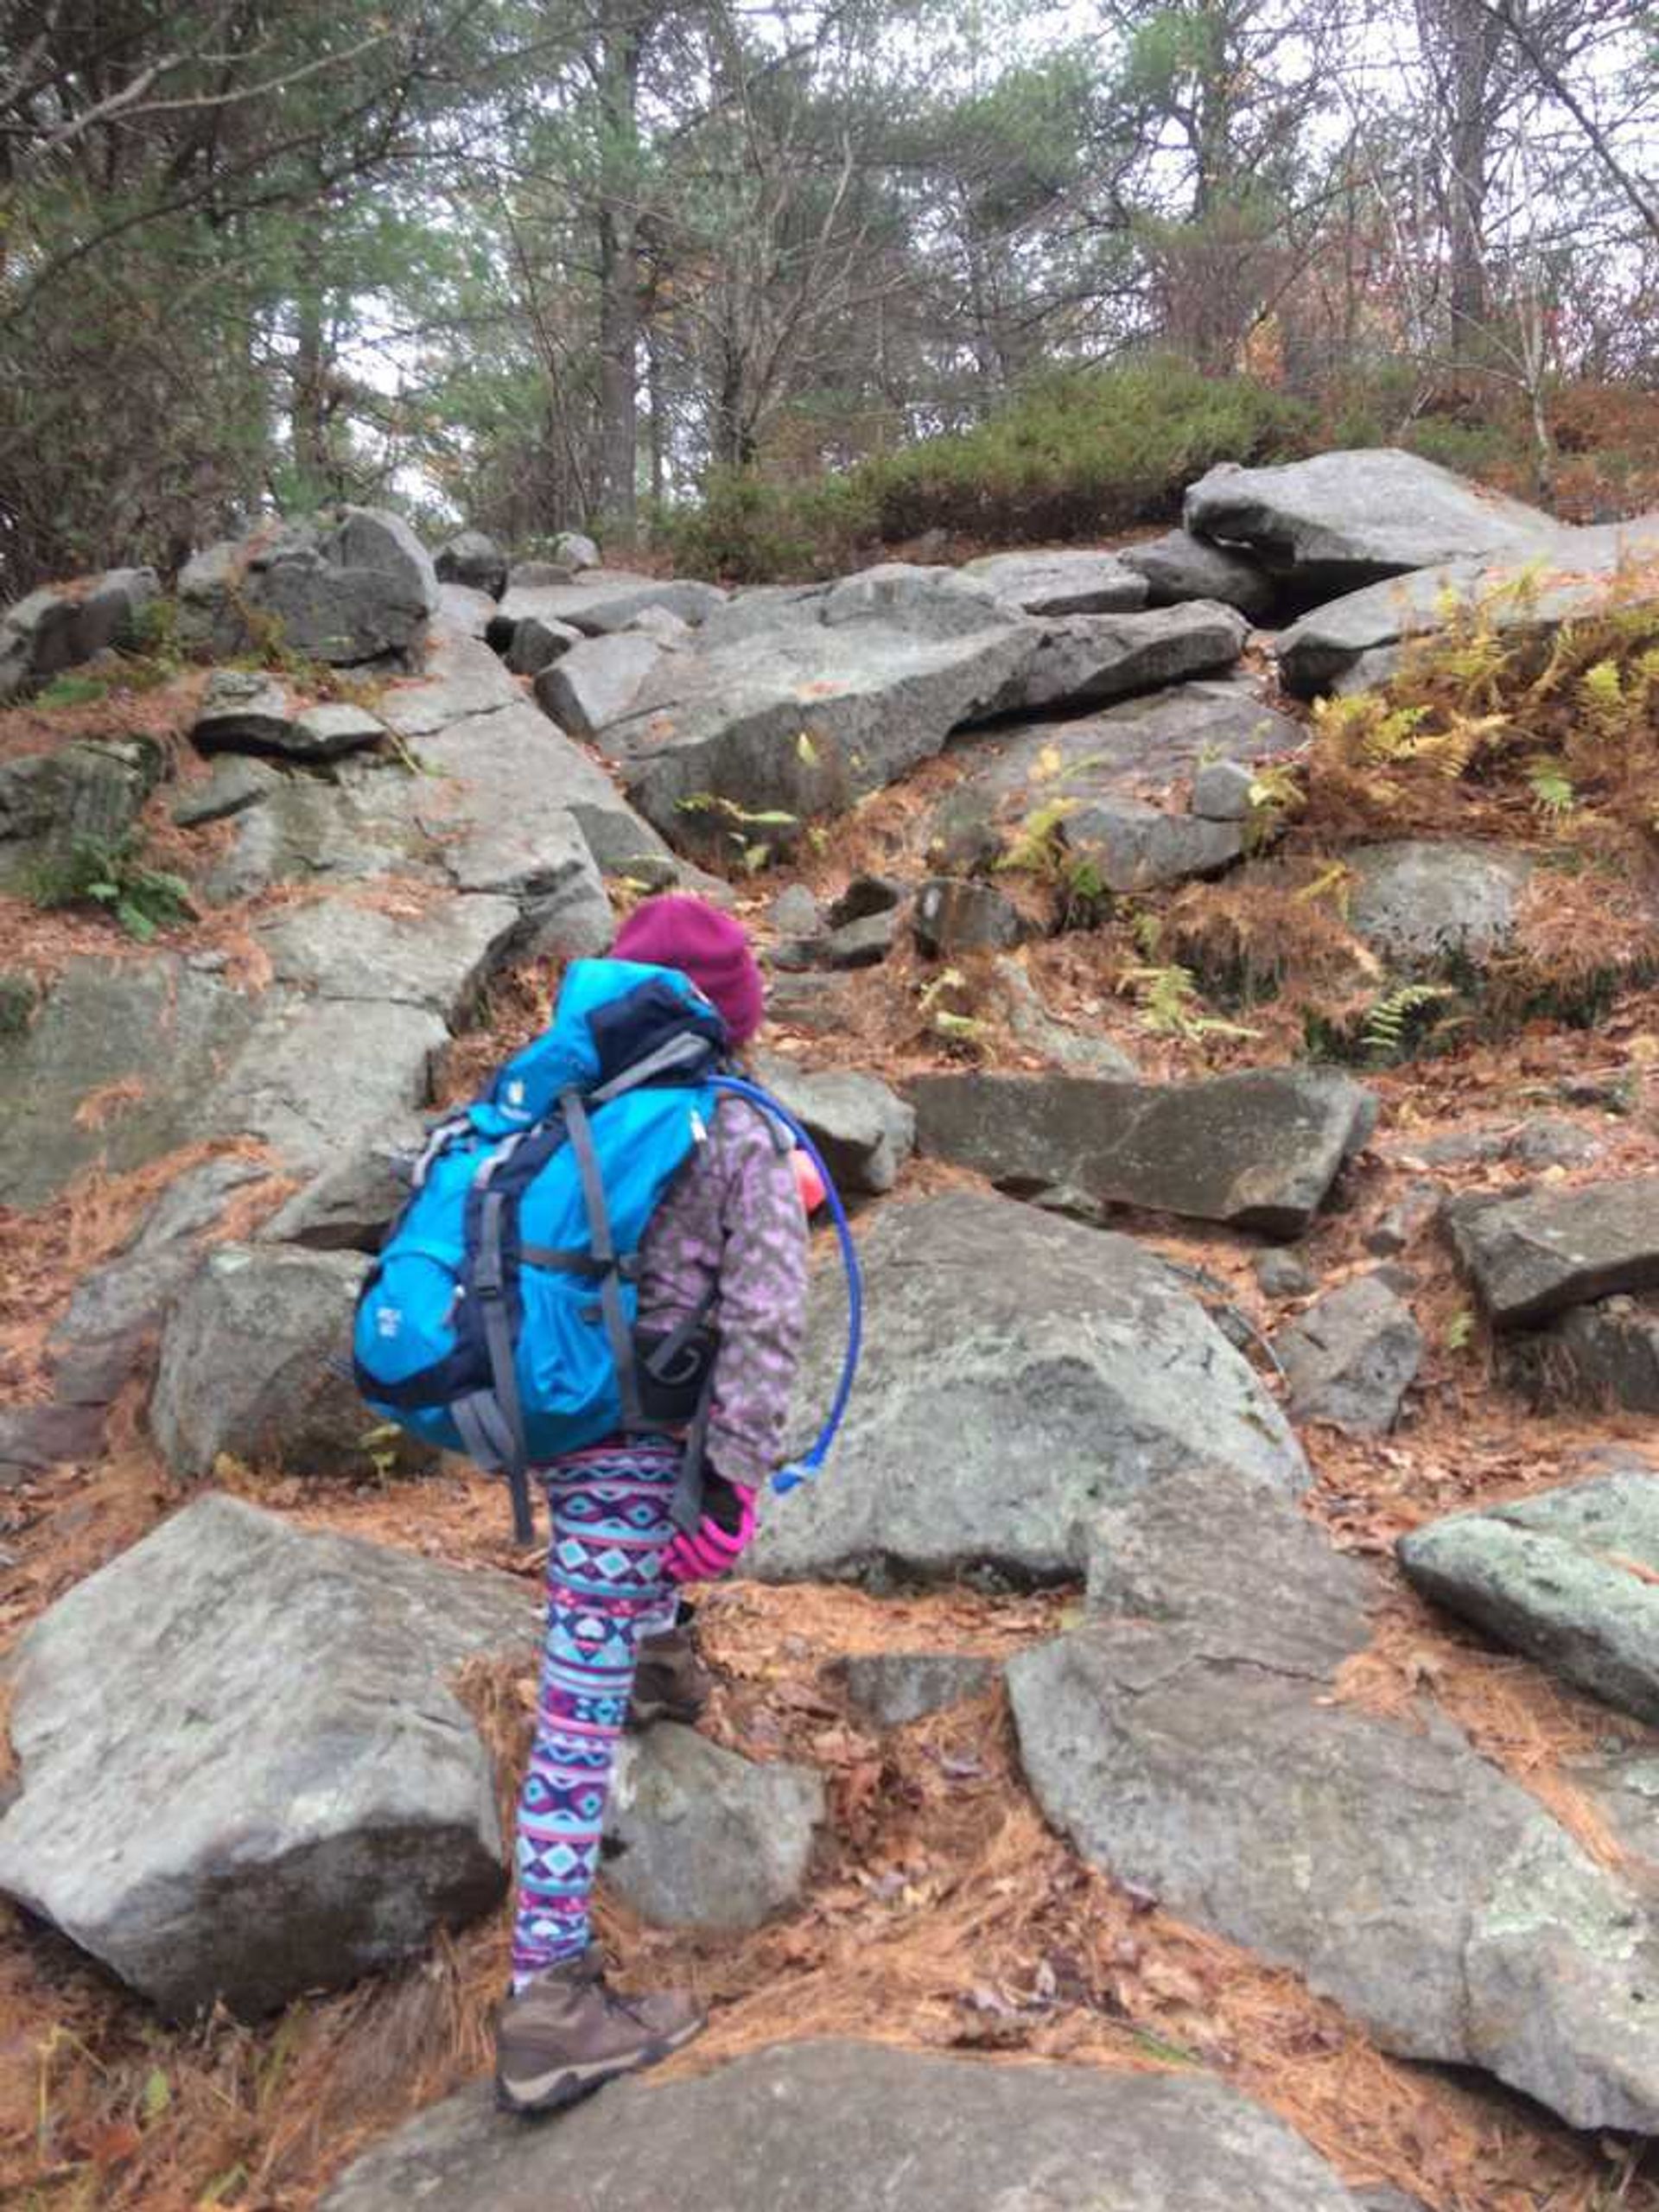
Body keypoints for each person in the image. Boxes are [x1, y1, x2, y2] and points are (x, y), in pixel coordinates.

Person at [494, 894, 810, 2116]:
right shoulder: (734, 1128)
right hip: (650, 1438)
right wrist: (735, 1480)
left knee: (614, 1605)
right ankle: (547, 1999)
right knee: (574, 1722)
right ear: (735, 1017)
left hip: (566, 1421)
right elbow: (767, 1321)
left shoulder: (579, 1099)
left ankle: (659, 1664)